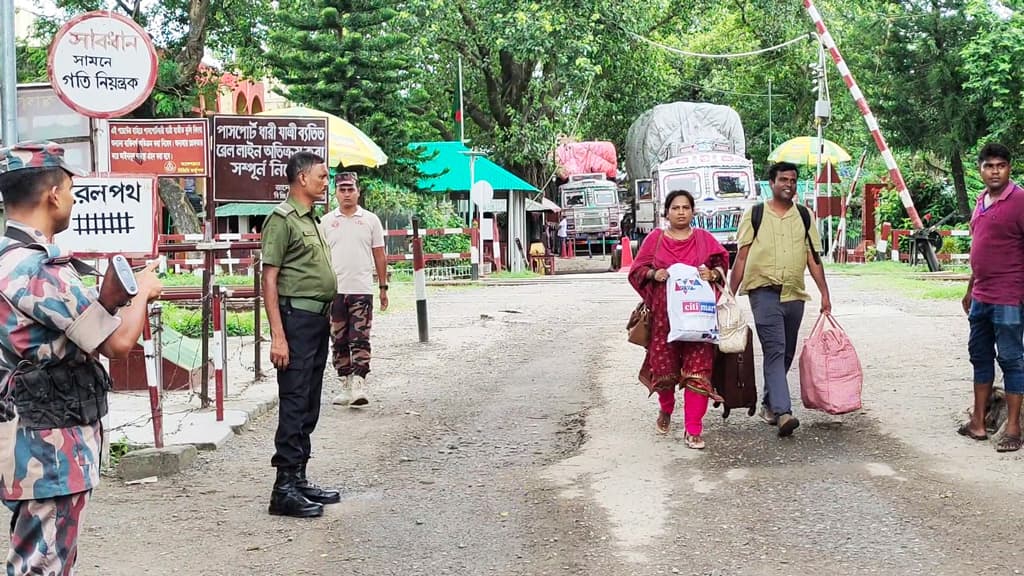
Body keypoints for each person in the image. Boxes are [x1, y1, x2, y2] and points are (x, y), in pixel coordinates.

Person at [0, 141, 163, 574]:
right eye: (71, 189)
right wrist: (143, 290)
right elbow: (115, 343)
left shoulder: (9, 259)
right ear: (53, 194)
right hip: (48, 445)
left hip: (27, 437)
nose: (73, 199)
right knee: (42, 564)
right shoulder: (38, 270)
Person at [260, 151, 340, 518]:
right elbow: (269, 279)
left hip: (316, 321)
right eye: (322, 177)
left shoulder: (312, 219)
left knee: (309, 402)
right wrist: (278, 335)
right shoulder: (282, 220)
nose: (328, 182)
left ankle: (300, 477)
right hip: (295, 322)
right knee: (294, 400)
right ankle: (284, 489)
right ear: (302, 179)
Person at [730, 161, 832, 438]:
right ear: (772, 183)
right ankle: (784, 412)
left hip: (794, 293)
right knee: (774, 349)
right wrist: (728, 295)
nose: (789, 184)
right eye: (783, 179)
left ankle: (768, 404)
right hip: (763, 292)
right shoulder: (755, 214)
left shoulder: (804, 214)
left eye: (793, 180)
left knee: (786, 353)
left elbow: (813, 257)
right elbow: (742, 256)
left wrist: (825, 293)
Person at [628, 189, 729, 449]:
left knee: (699, 372)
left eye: (686, 207)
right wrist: (654, 275)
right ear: (667, 212)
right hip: (665, 321)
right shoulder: (655, 240)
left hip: (699, 320)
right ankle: (666, 408)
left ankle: (693, 429)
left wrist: (713, 275)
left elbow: (721, 265)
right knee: (664, 371)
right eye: (676, 208)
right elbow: (637, 270)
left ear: (693, 211)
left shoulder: (705, 240)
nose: (681, 212)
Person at [959, 143, 1024, 452]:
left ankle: (1013, 427)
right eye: (989, 165)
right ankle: (979, 422)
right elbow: (979, 250)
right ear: (980, 170)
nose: (995, 170)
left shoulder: (1020, 201)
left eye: (1001, 165)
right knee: (980, 356)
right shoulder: (980, 201)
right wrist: (971, 288)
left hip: (1010, 296)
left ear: (1009, 168)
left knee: (1012, 359)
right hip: (982, 295)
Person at [320, 171, 388, 407]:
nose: (347, 194)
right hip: (334, 290)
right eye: (342, 190)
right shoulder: (326, 222)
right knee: (338, 339)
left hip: (361, 289)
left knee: (360, 337)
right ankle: (346, 382)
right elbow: (320, 257)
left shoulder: (370, 220)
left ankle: (359, 381)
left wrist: (383, 286)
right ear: (336, 193)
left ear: (358, 192)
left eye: (351, 189)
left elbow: (379, 253)